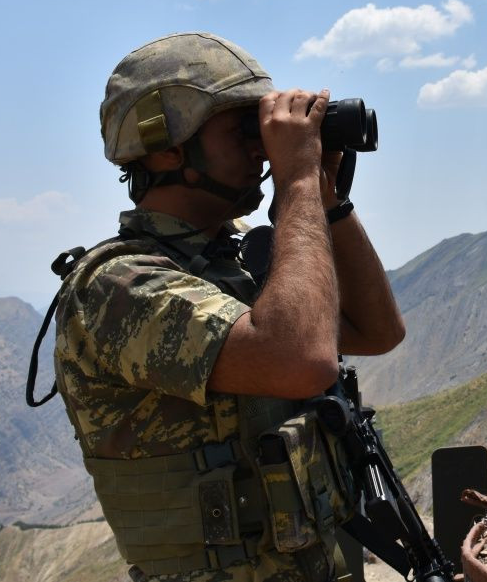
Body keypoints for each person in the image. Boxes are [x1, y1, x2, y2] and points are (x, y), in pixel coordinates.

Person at [50, 32, 405, 582]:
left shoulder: (234, 264)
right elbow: (300, 362)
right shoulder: (118, 288)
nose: (262, 145)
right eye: (243, 130)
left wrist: (326, 197)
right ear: (167, 146)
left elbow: (377, 330)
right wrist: (297, 180)